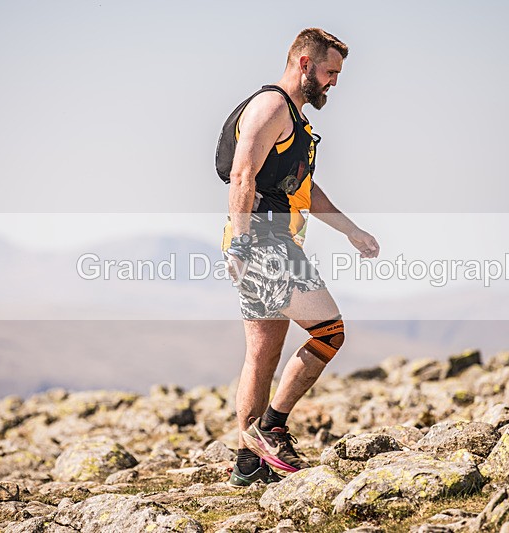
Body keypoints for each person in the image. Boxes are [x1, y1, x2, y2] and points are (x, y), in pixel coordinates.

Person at [217, 28, 379, 486]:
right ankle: (271, 428)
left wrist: (352, 231)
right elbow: (242, 175)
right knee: (329, 332)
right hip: (264, 240)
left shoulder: (295, 120)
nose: (334, 82)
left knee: (262, 354)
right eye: (330, 71)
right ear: (304, 64)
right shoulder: (271, 107)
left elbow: (306, 192)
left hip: (271, 238)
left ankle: (249, 464)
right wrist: (243, 247)